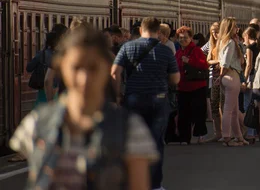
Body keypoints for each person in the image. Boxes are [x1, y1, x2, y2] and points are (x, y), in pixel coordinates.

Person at [11, 26, 158, 190]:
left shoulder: (130, 128)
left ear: (106, 69)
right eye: (76, 67)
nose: (84, 79)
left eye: (93, 68)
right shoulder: (36, 125)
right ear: (62, 67)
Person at [111, 17, 180, 190]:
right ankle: (155, 185)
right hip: (159, 100)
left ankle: (131, 182)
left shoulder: (127, 47)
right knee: (156, 142)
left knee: (131, 142)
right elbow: (175, 79)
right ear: (158, 31)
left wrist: (117, 95)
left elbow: (114, 73)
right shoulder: (165, 51)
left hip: (133, 99)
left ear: (141, 30)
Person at [175, 26, 209, 144]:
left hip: (197, 86)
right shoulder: (178, 53)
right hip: (182, 87)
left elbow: (204, 65)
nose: (182, 40)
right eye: (180, 38)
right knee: (183, 113)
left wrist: (189, 61)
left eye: (185, 37)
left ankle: (200, 135)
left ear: (190, 38)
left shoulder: (196, 50)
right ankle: (184, 138)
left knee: (199, 112)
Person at [216, 17, 247, 147]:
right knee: (229, 110)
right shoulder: (230, 43)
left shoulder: (222, 42)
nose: (237, 29)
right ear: (230, 28)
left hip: (226, 78)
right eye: (235, 27)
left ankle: (239, 137)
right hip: (232, 76)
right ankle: (226, 136)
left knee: (234, 110)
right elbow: (226, 62)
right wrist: (221, 75)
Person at [242, 26, 260, 140]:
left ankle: (249, 132)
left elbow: (249, 65)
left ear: (247, 36)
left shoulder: (250, 48)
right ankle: (257, 132)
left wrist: (244, 79)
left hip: (251, 77)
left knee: (247, 104)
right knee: (257, 105)